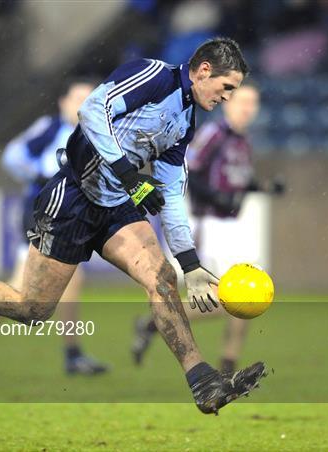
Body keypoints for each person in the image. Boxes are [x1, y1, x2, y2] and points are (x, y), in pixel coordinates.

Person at [0, 38, 266, 415]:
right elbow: (92, 110)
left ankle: (203, 384)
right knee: (31, 309)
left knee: (163, 277)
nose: (228, 98)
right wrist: (130, 176)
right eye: (227, 88)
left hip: (115, 205)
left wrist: (191, 265)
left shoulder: (185, 121)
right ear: (204, 71)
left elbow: (170, 195)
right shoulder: (154, 76)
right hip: (71, 198)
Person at [0, 80, 108, 375]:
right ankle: (72, 355)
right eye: (77, 97)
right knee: (58, 283)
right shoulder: (51, 128)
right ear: (63, 102)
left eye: (88, 98)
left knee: (27, 287)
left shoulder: (93, 134)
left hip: (69, 216)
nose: (82, 104)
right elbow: (13, 155)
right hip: (43, 213)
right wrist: (41, 175)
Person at [132, 81, 282, 372]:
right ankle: (154, 323)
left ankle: (228, 365)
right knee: (233, 297)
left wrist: (264, 187)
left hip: (232, 225)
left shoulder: (242, 140)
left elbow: (238, 179)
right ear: (228, 103)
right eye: (242, 102)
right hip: (208, 224)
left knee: (247, 293)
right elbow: (192, 173)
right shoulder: (214, 134)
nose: (247, 108)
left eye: (252, 103)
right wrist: (217, 196)